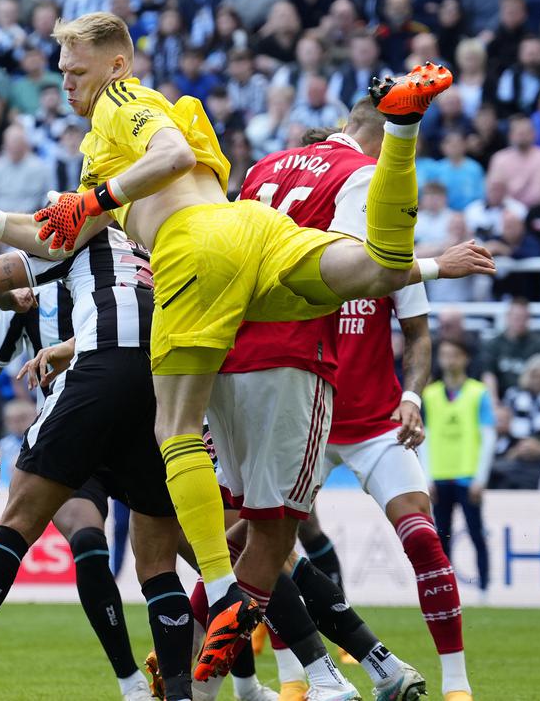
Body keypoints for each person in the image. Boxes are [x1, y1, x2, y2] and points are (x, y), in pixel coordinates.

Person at [0, 13, 495, 682]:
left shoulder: (124, 104)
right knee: (379, 268)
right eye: (64, 74)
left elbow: (171, 159)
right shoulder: (108, 147)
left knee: (175, 428)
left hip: (192, 251)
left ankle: (221, 594)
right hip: (250, 232)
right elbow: (59, 235)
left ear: (115, 66)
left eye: (77, 72)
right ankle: (400, 133)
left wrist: (96, 197)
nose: (68, 86)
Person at [220, 125, 465, 700]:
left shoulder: (382, 243)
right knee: (265, 541)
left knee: (422, 540)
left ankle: (456, 684)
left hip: (374, 421)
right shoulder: (294, 249)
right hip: (307, 405)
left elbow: (419, 334)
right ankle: (300, 678)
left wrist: (411, 396)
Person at [0, 226, 197, 701]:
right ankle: (137, 682)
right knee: (105, 545)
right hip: (129, 408)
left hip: (86, 402)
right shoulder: (124, 267)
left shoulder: (70, 257)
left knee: (19, 525)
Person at [0, 280, 159, 701]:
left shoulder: (119, 277)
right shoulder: (24, 295)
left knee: (211, 552)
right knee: (88, 541)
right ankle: (131, 683)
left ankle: (258, 681)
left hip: (134, 428)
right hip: (71, 438)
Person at [423, 339, 496, 604]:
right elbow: (426, 437)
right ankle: (447, 592)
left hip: (468, 475)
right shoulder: (430, 394)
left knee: (476, 533)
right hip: (440, 475)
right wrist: (427, 476)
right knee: (442, 538)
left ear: (465, 358)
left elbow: (488, 436)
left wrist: (481, 477)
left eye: (454, 354)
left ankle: (485, 591)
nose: (449, 360)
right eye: (444, 355)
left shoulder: (478, 393)